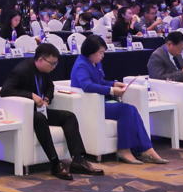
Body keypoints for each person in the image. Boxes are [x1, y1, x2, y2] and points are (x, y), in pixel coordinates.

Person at [0, 43, 104, 179]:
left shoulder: (44, 71)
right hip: (24, 113)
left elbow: (50, 86)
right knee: (40, 118)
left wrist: (47, 99)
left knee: (69, 116)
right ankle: (55, 163)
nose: (54, 67)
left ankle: (78, 160)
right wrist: (31, 95)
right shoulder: (22, 70)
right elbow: (5, 91)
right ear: (41, 59)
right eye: (52, 63)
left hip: (40, 110)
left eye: (56, 64)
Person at [70, 35, 166, 164]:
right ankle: (125, 150)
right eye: (100, 53)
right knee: (126, 110)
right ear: (90, 52)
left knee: (131, 110)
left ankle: (147, 149)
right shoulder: (81, 65)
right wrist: (111, 90)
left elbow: (100, 81)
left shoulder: (95, 62)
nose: (103, 55)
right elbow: (87, 86)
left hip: (100, 101)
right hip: (90, 104)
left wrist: (114, 84)